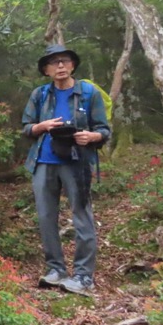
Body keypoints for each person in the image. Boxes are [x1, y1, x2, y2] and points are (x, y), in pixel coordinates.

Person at [22, 44, 111, 296]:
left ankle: (84, 276)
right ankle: (55, 269)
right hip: (43, 162)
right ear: (46, 70)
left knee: (82, 216)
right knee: (46, 217)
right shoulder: (40, 95)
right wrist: (42, 126)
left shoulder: (88, 93)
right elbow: (26, 128)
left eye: (65, 61)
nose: (60, 66)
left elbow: (104, 130)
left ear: (72, 65)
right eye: (54, 62)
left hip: (77, 162)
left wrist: (92, 136)